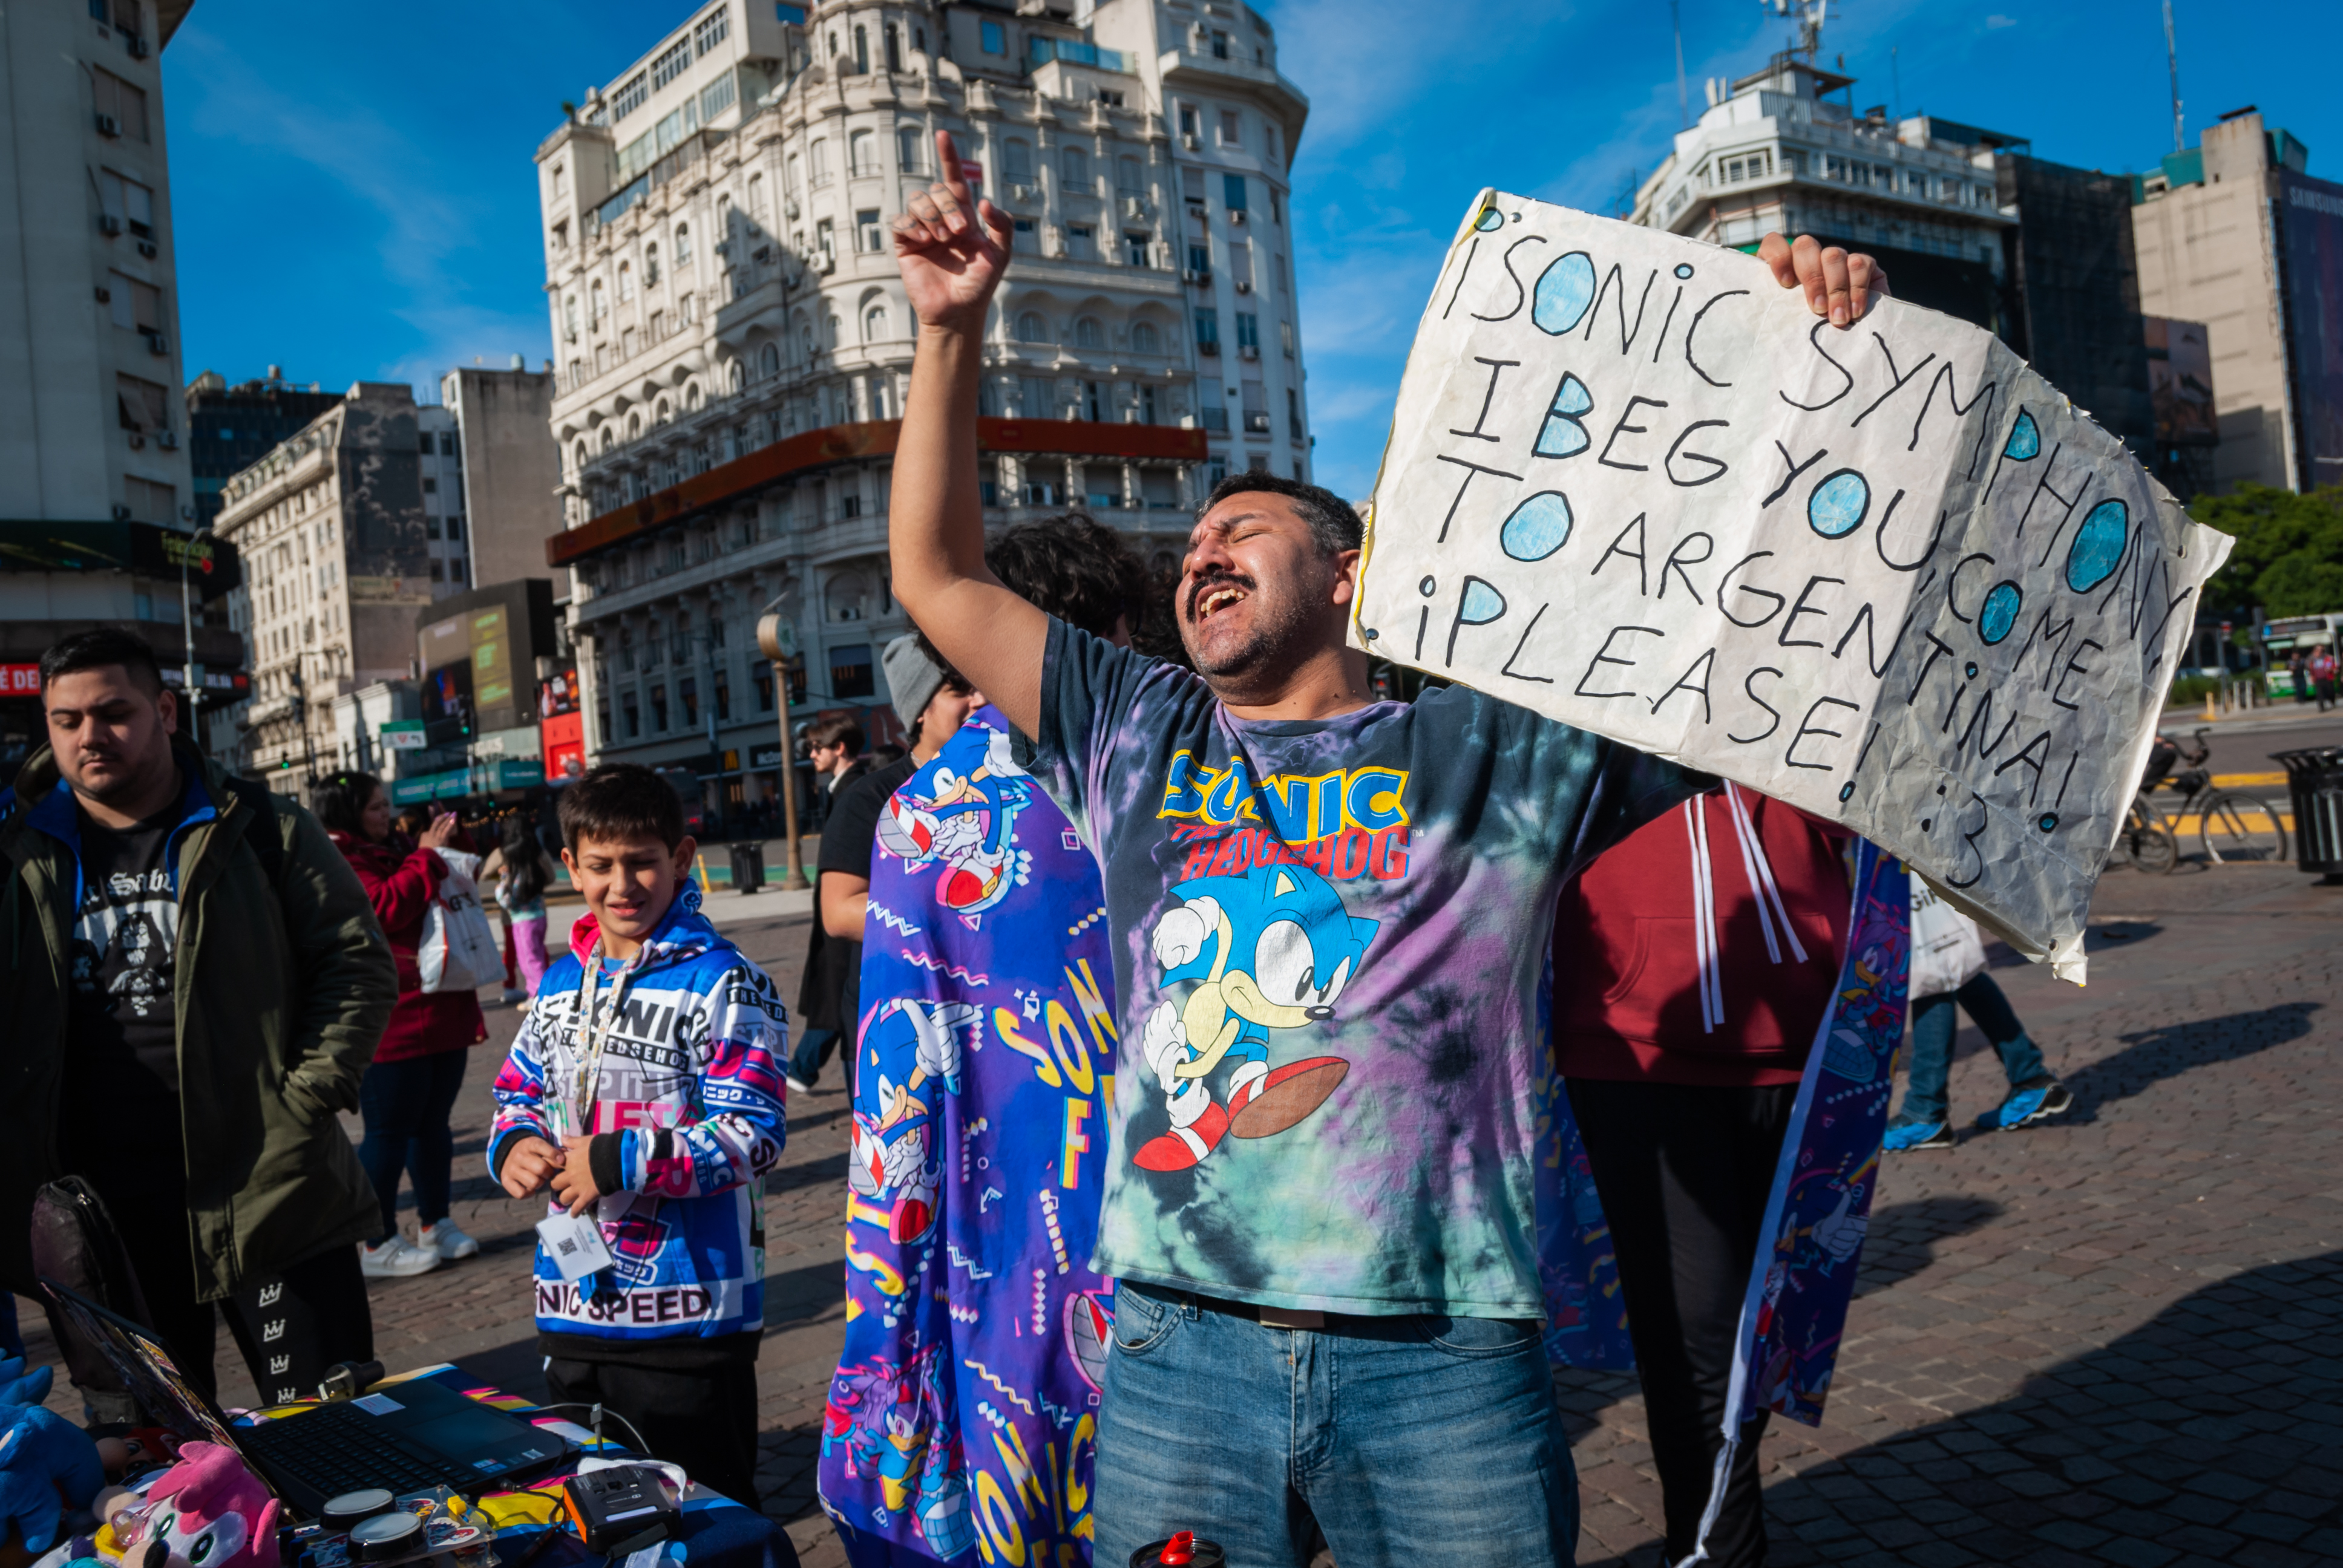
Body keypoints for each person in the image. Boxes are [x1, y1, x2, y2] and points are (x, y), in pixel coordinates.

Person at [882, 129, 1887, 1563]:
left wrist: (1799, 349)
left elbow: (1707, 578)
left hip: (1441, 1365)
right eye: (1187, 552)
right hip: (1178, 1356)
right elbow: (938, 574)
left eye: (1244, 529)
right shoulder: (1134, 728)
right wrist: (949, 332)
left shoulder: (1490, 741)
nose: (1201, 555)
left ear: (1348, 572)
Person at [818, 514, 1144, 1563]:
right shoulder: (1185, 770)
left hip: (995, 1249)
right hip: (1179, 1232)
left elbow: (892, 1099)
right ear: (1118, 631)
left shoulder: (925, 812)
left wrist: (887, 1318)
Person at [0, 630, 396, 1407]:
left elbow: (355, 962)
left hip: (267, 1185)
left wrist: (306, 1096)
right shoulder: (19, 850)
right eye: (66, 719)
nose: (90, 736)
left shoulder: (262, 827)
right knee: (166, 1475)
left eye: (114, 712)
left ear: (166, 711)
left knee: (330, 1433)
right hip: (105, 1213)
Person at [1553, 785, 1852, 1568]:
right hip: (1637, 1053)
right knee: (1698, 1349)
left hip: (1810, 1039)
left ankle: (1712, 1536)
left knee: (1762, 1341)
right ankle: (1717, 1552)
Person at [488, 764, 789, 1506]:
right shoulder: (561, 983)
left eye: (642, 862)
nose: (622, 884)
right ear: (571, 868)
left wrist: (620, 1158)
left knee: (701, 1520)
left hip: (690, 1318)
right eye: (600, 866)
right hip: (573, 1307)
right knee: (594, 1518)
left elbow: (754, 1133)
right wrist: (514, 1144)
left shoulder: (723, 981)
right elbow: (516, 1090)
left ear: (680, 859)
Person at [790, 639, 985, 1095]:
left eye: (980, 685)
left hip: (981, 1016)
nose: (979, 699)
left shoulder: (1006, 783)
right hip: (898, 1024)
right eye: (959, 689)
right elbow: (839, 912)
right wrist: (967, 918)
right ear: (920, 709)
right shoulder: (873, 798)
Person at [315, 772, 488, 1277]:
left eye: (385, 804)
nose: (385, 815)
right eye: (374, 807)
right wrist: (428, 856)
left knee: (434, 1126)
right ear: (347, 812)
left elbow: (458, 883)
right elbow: (384, 908)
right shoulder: (336, 858)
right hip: (391, 1016)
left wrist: (451, 843)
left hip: (439, 1003)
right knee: (388, 1132)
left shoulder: (397, 847)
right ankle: (377, 1241)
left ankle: (437, 1222)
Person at [1884, 884, 2069, 1150]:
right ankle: (2029, 1076)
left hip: (1897, 855)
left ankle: (1924, 1111)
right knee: (1952, 964)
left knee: (1931, 974)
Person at [787, 713, 872, 1093]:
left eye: (816, 747)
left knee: (841, 1000)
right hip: (840, 920)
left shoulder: (854, 792)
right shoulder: (843, 788)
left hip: (847, 925)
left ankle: (805, 1071)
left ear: (839, 748)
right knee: (836, 1002)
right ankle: (805, 1070)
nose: (811, 755)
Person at [483, 815, 560, 999]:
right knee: (538, 952)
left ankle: (525, 990)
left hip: (512, 912)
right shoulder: (538, 852)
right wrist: (533, 885)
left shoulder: (503, 853)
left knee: (517, 952)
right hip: (538, 910)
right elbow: (551, 877)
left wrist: (502, 879)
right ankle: (541, 988)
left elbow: (485, 875)